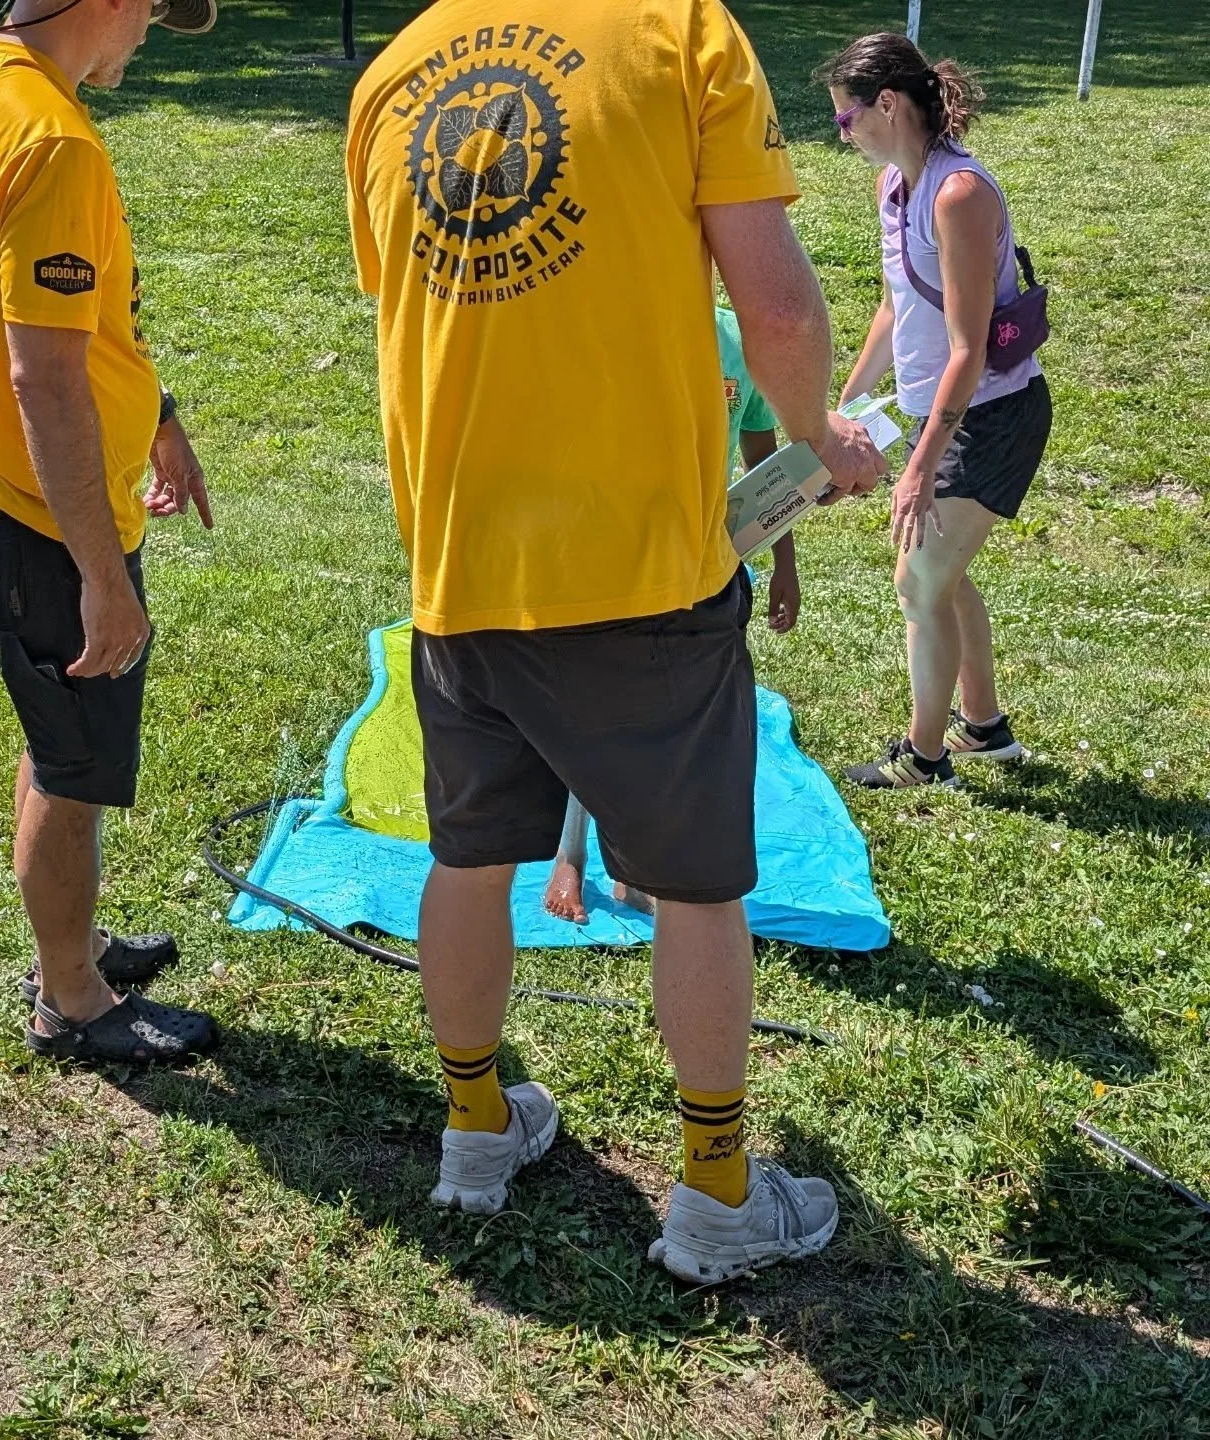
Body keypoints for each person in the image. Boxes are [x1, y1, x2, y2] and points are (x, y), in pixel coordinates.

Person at [347, 0, 885, 1283]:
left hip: (462, 565)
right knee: (696, 887)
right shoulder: (680, 30)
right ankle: (716, 1196)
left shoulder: (391, 76)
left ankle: (476, 1129)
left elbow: (431, 303)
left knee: (468, 858)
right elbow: (779, 311)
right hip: (641, 570)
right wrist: (821, 438)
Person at [0, 0, 222, 1064]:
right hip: (38, 521)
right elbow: (43, 381)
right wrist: (102, 574)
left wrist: (158, 412)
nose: (148, 31)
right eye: (154, 9)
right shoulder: (52, 141)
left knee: (56, 740)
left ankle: (71, 944)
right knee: (74, 765)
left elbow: (72, 324)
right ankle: (73, 1000)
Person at [820, 33, 1053, 790]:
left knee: (918, 584)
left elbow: (968, 349)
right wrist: (846, 411)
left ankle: (924, 759)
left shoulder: (959, 195)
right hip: (944, 413)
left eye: (846, 118)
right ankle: (984, 728)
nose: (842, 135)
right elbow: (895, 306)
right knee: (940, 575)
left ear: (887, 104)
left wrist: (917, 470)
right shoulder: (893, 187)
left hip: (993, 415)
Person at [543, 306, 796, 924]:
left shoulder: (737, 339)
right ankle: (571, 852)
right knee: (594, 702)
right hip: (615, 554)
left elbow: (764, 462)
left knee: (673, 715)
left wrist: (785, 561)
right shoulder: (622, 322)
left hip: (701, 566)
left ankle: (634, 868)